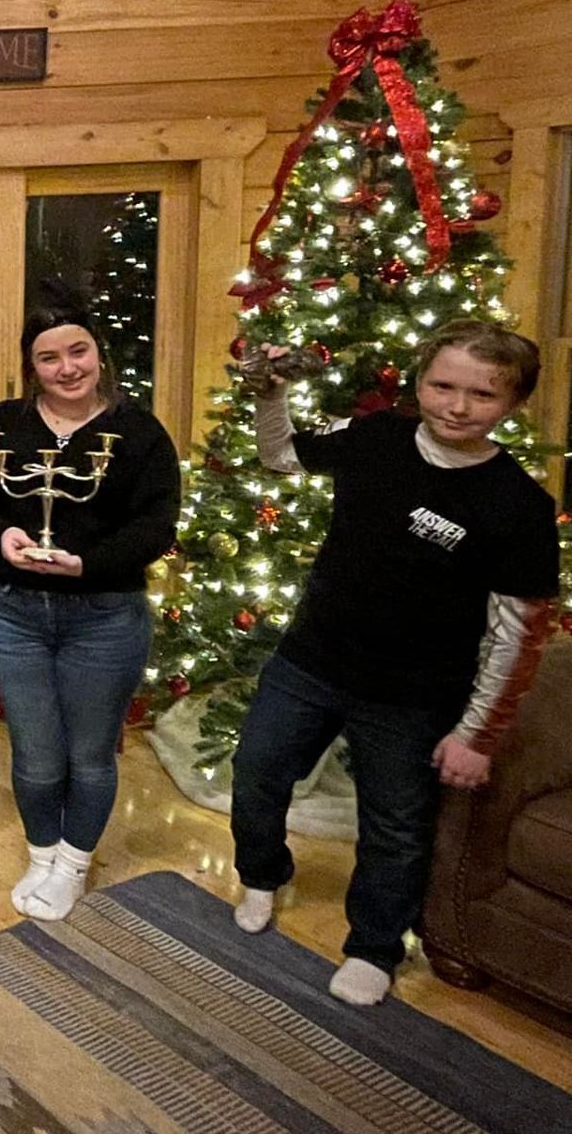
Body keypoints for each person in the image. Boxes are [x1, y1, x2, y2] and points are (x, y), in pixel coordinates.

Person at [231, 320, 561, 1006]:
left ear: (513, 404)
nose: (457, 406)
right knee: (257, 770)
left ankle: (376, 945)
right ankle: (264, 871)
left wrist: (476, 733)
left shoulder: (520, 507)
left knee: (396, 825)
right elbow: (283, 457)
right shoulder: (378, 438)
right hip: (310, 661)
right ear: (419, 383)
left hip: (413, 695)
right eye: (442, 385)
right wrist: (271, 393)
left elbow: (518, 633)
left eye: (482, 394)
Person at [0, 308, 180, 923]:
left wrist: (84, 563)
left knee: (89, 753)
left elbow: (156, 527)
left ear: (99, 354)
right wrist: (5, 534)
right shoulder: (5, 425)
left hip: (105, 615)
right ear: (30, 366)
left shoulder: (138, 433)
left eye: (79, 352)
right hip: (14, 612)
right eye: (49, 357)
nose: (67, 368)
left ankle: (73, 863)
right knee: (35, 752)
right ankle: (42, 855)